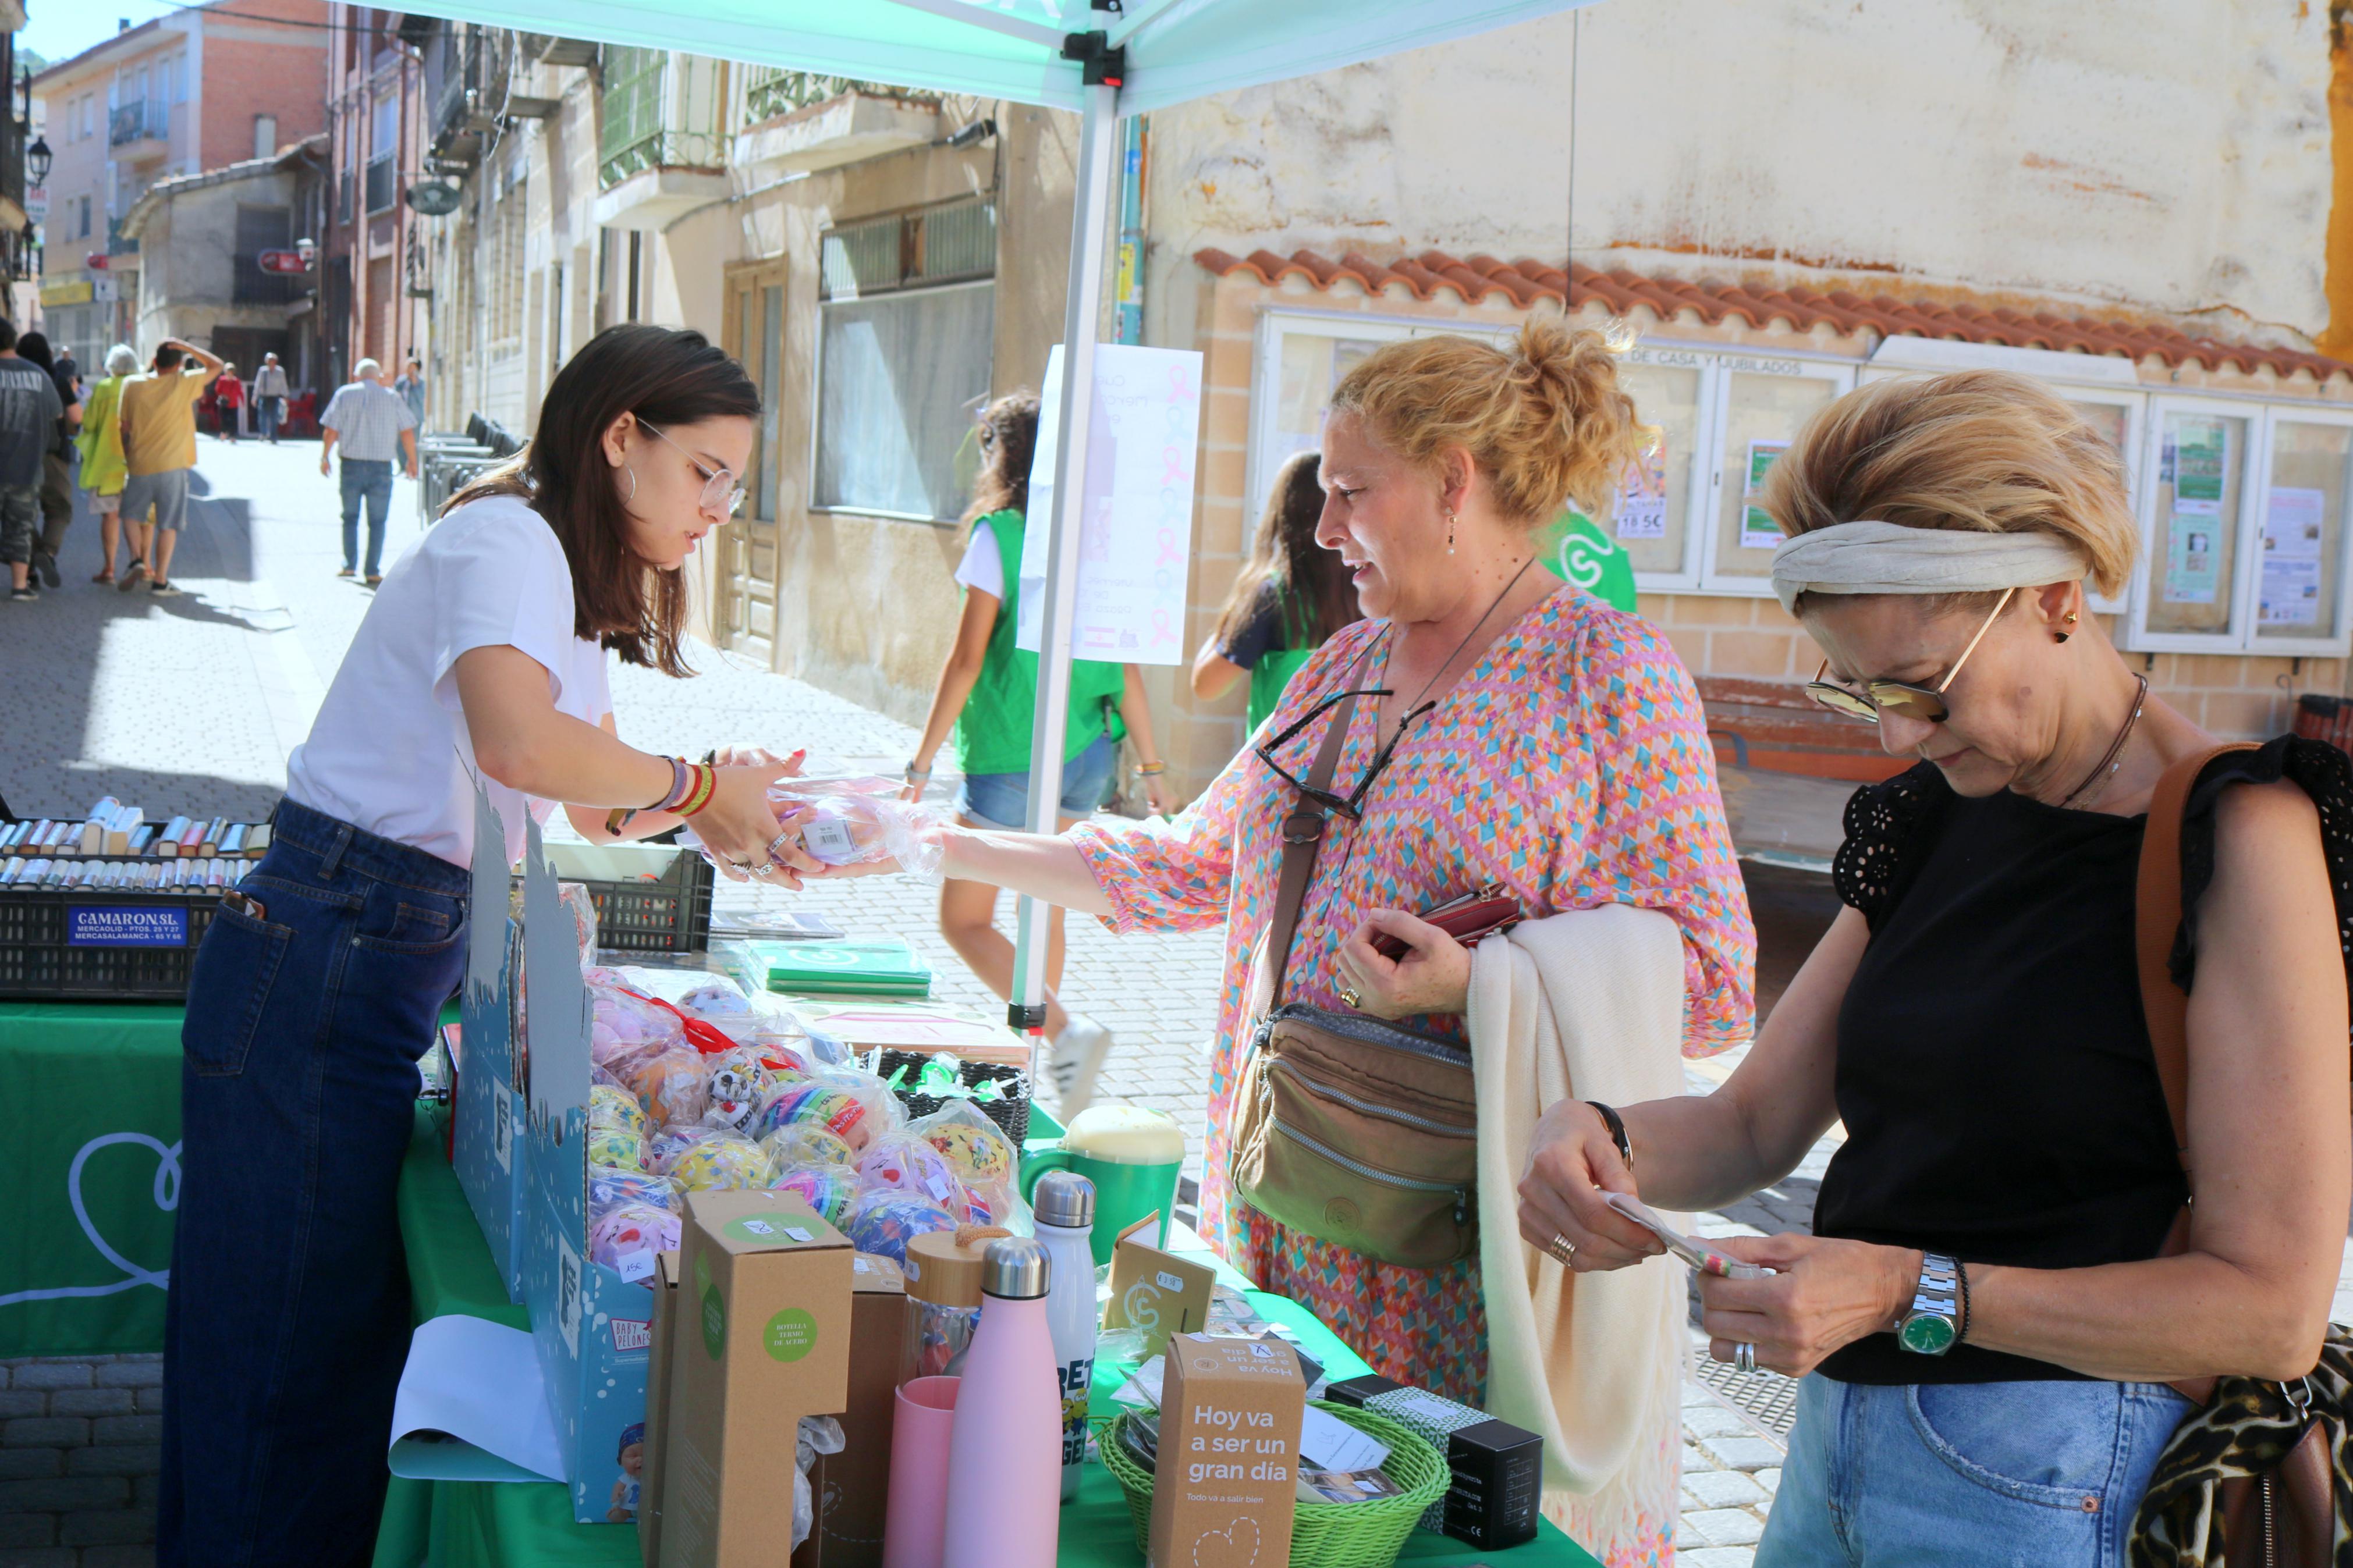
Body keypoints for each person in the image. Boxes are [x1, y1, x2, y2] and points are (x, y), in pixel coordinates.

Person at [856, 319, 1755, 1561]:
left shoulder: (1608, 677)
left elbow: (1710, 983)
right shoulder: (1339, 663)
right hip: (1281, 1208)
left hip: (1464, 1261)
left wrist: (1484, 976)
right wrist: (928, 843)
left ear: (1452, 482)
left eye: (1348, 494)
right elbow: (1185, 868)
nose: (1322, 531)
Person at [1516, 371, 2353, 1568]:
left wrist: (1906, 1290)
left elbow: (2266, 1311)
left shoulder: (2235, 832)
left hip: (2056, 1469)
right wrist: (1597, 1137)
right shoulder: (1933, 810)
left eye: (1918, 684)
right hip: (1837, 1445)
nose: (1892, 734)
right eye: (1857, 687)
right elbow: (1752, 1121)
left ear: (2055, 595)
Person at [158, 324, 824, 1567]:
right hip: (333, 942)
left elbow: (581, 798)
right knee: (283, 1368)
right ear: (620, 438)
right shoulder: (509, 536)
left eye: (735, 485)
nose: (717, 512)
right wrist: (693, 786)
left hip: (372, 948)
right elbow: (522, 746)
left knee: (295, 1352)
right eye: (705, 474)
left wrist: (733, 799)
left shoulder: (560, 575)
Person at [902, 391, 1173, 1119]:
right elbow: (1131, 672)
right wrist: (1152, 772)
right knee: (1041, 900)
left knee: (962, 919)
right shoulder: (1100, 545)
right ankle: (1036, 1056)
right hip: (1087, 745)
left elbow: (965, 660)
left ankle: (1059, 1032)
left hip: (1012, 746)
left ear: (1006, 456)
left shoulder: (1001, 534)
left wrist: (920, 764)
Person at [1190, 450, 1361, 734]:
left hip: (1279, 770)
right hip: (1351, 766)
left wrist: (1237, 608)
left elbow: (1206, 685)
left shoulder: (1273, 595)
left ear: (1284, 514)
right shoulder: (1370, 588)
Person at [116, 336, 225, 597]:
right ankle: (161, 581)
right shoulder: (183, 382)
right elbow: (217, 366)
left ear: (154, 361)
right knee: (168, 524)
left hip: (140, 462)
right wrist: (185, 347)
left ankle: (136, 559)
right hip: (174, 465)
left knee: (130, 515)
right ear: (178, 365)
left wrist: (128, 456)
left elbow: (125, 427)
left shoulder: (132, 384)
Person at [320, 357, 421, 586]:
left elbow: (331, 429)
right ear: (379, 377)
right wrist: (411, 461)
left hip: (351, 465)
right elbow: (407, 431)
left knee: (350, 517)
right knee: (377, 521)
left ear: (357, 375)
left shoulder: (345, 394)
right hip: (381, 468)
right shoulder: (391, 397)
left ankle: (349, 565)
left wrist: (325, 456)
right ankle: (372, 570)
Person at [0, 319, 66, 604]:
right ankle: (19, 586)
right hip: (27, 468)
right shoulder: (39, 375)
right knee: (21, 528)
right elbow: (57, 415)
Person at [14, 332, 83, 591]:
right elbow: (77, 418)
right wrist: (73, 394)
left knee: (23, 512)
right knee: (59, 509)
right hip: (54, 455)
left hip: (19, 455)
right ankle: (49, 552)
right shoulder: (58, 380)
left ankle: (29, 569)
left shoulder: (14, 380)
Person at [77, 346, 139, 584]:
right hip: (136, 461)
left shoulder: (103, 388)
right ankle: (144, 562)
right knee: (139, 517)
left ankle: (110, 569)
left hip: (107, 463)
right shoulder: (140, 385)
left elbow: (89, 424)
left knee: (110, 517)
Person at [251, 352, 289, 444]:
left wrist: (286, 395)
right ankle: (263, 434)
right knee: (263, 417)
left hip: (275, 397)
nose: (271, 362)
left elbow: (283, 384)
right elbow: (258, 384)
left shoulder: (280, 371)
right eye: (269, 361)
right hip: (264, 397)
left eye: (273, 360)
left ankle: (273, 437)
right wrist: (254, 397)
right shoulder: (263, 371)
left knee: (274, 417)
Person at [213, 361, 243, 442]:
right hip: (224, 404)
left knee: (233, 421)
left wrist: (242, 402)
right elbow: (217, 390)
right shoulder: (222, 380)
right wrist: (223, 395)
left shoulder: (236, 381)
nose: (230, 373)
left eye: (232, 371)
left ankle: (233, 436)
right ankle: (223, 433)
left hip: (234, 404)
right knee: (224, 419)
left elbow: (240, 392)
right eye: (228, 371)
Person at [394, 354, 427, 426]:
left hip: (416, 416)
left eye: (413, 368)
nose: (411, 370)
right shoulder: (401, 381)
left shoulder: (421, 382)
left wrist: (415, 383)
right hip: (402, 415)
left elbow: (421, 398)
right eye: (409, 367)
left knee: (415, 437)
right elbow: (395, 393)